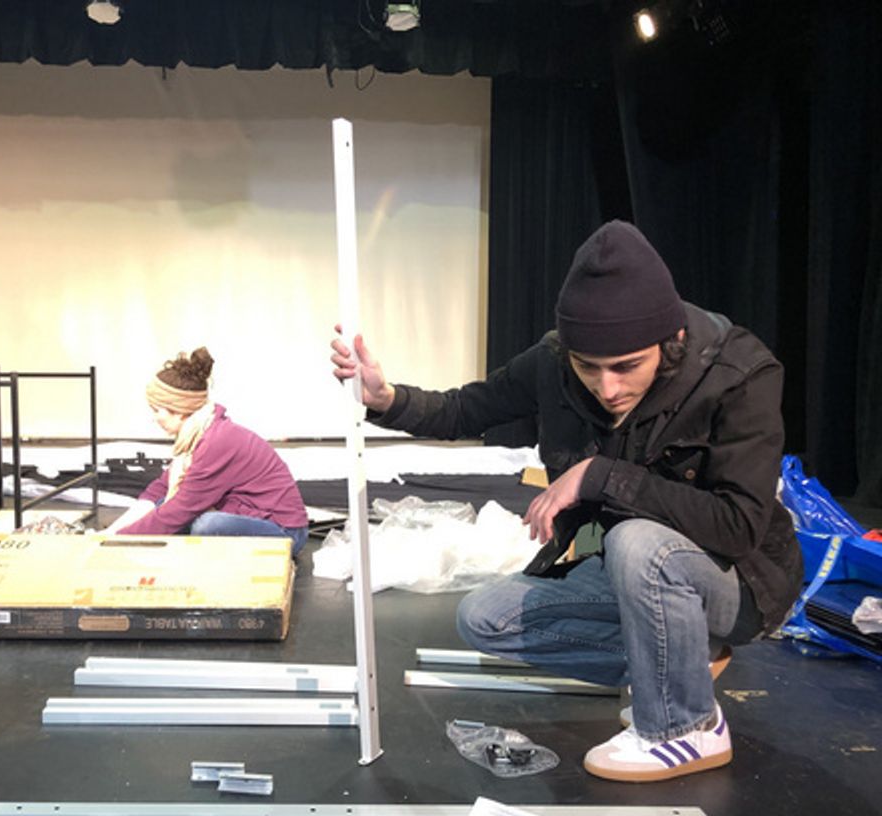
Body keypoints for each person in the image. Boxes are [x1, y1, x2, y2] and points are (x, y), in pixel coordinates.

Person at [330, 220, 803, 782]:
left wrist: (602, 476)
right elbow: (464, 409)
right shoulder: (552, 362)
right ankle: (684, 667)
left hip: (741, 582)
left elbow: (738, 527)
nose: (607, 388)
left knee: (637, 541)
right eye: (589, 367)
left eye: (627, 366)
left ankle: (685, 725)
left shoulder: (737, 374)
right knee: (486, 618)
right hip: (625, 564)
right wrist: (386, 398)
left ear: (669, 340)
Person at [108, 346, 309, 555]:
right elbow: (161, 489)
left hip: (285, 532)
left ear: (179, 411)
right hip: (245, 513)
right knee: (162, 505)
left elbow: (180, 509)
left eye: (157, 410)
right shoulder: (195, 436)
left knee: (206, 525)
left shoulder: (216, 441)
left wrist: (120, 541)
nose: (154, 417)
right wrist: (112, 532)